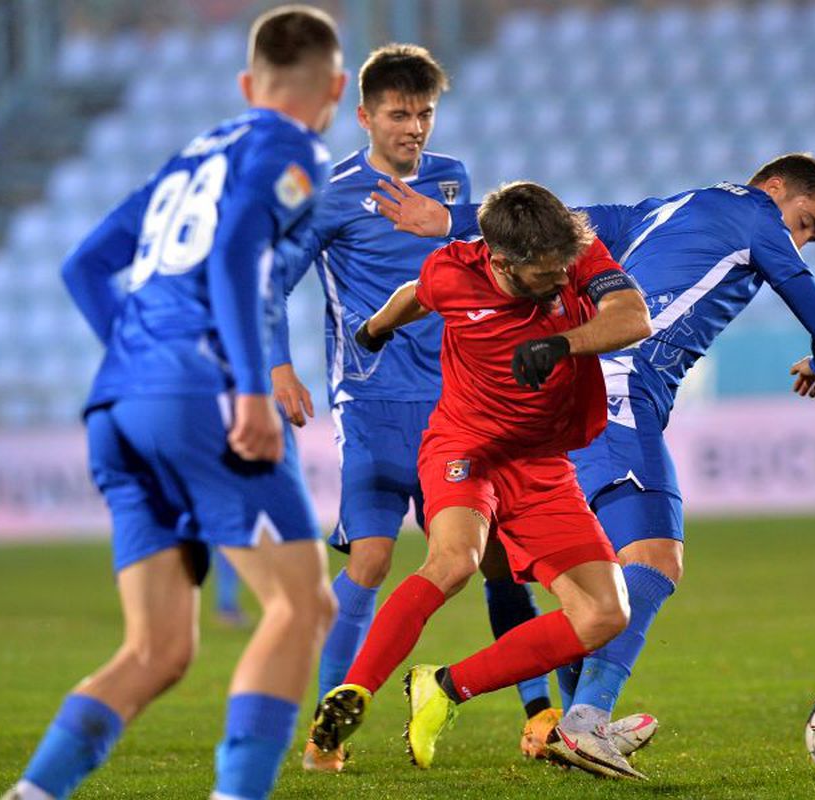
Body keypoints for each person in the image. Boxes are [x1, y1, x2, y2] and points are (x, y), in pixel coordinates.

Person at [369, 152, 815, 774]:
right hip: (623, 387)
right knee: (652, 561)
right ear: (777, 188)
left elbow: (563, 226)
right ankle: (580, 720)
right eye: (806, 222)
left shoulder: (669, 209)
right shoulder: (759, 218)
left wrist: (454, 218)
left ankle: (561, 716)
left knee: (592, 585)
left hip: (585, 391)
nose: (801, 240)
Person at [0, 8, 346, 800]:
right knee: (301, 606)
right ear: (333, 87)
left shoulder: (191, 158)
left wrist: (140, 364)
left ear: (245, 85)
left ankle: (32, 792)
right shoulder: (295, 151)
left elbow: (86, 265)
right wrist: (250, 389)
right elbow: (231, 251)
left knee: (157, 651)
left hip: (118, 406)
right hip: (205, 397)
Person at [270, 44, 557, 771]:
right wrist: (277, 366)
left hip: (458, 408)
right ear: (364, 116)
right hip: (370, 403)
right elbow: (270, 284)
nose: (415, 127)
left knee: (496, 560)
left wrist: (452, 229)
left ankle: (541, 717)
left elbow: (505, 264)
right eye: (400, 113)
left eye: (426, 112)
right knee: (370, 557)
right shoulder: (330, 194)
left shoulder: (454, 183)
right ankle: (325, 728)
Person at [306, 181, 654, 778]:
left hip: (542, 464)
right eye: (546, 276)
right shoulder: (453, 272)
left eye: (562, 269)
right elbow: (416, 295)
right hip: (464, 447)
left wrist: (561, 343)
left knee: (604, 614)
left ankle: (443, 688)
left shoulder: (576, 253)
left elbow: (632, 317)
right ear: (501, 261)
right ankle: (352, 696)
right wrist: (375, 329)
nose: (558, 283)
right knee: (454, 561)